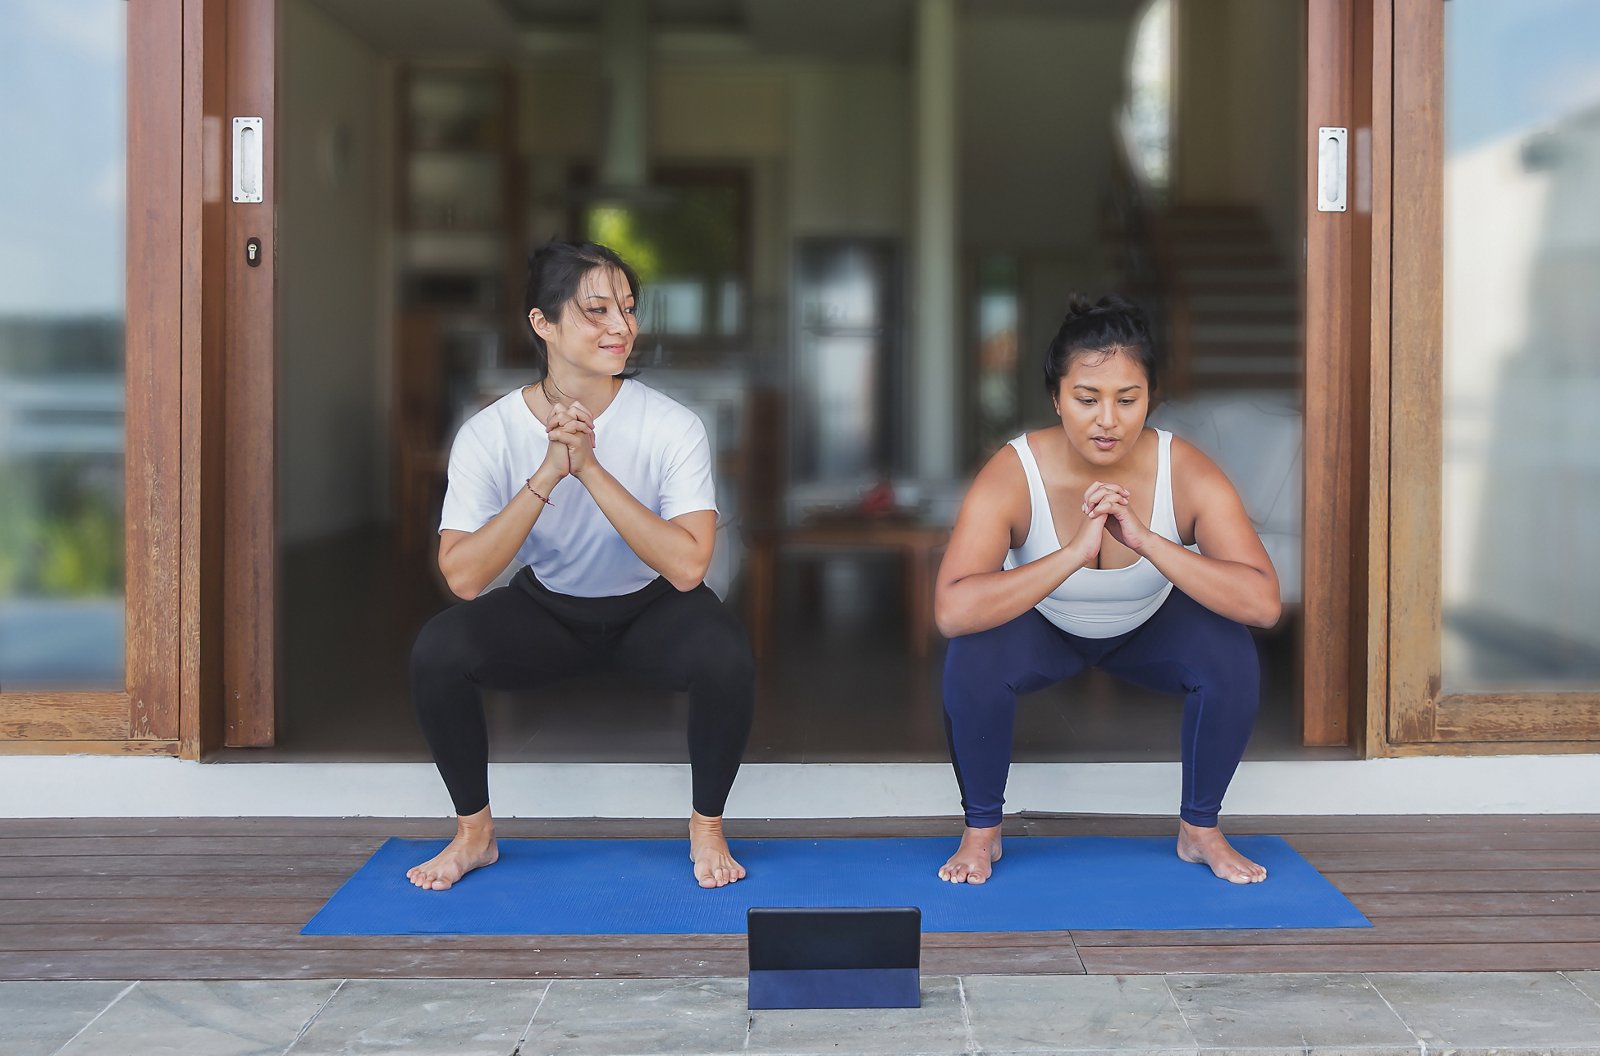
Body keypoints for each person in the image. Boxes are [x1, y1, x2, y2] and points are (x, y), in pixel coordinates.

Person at [406, 240, 754, 892]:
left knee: (725, 654)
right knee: (437, 651)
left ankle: (706, 826)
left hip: (654, 610)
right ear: (542, 323)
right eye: (596, 311)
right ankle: (474, 832)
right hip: (549, 610)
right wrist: (548, 473)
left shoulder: (673, 426)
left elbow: (687, 568)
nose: (621, 327)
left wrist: (590, 469)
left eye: (627, 308)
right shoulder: (490, 432)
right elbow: (464, 577)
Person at [933, 295, 1281, 885]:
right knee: (972, 654)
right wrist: (1073, 554)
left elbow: (1262, 602)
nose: (1108, 420)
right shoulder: (1014, 471)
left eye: (1128, 400)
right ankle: (981, 834)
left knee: (1230, 650)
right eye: (1086, 399)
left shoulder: (1185, 469)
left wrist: (1146, 540)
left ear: (1150, 399)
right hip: (1043, 627)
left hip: (1149, 628)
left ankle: (1200, 830)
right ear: (1056, 398)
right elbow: (951, 610)